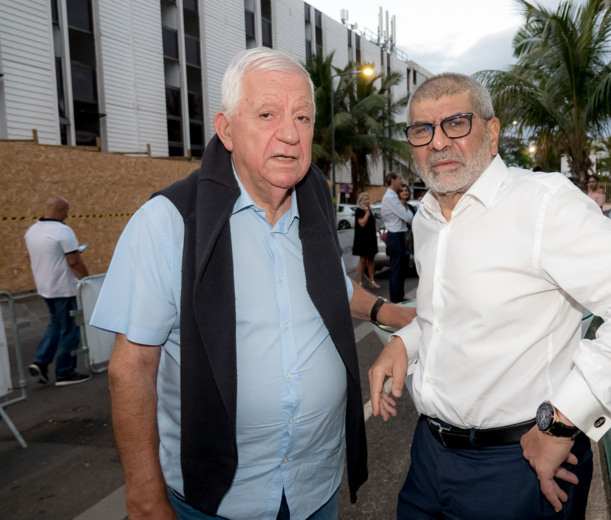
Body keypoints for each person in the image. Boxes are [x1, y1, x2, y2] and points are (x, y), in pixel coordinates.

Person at [91, 48, 415, 520]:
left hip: (315, 488)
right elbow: (132, 368)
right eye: (267, 114)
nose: (289, 133)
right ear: (226, 129)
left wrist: (387, 312)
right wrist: (144, 500)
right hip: (217, 502)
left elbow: (332, 290)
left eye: (302, 117)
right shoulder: (170, 221)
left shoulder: (316, 205)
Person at [368, 73, 611, 519]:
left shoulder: (543, 204)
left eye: (456, 123)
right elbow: (445, 315)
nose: (438, 142)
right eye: (423, 130)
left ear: (493, 131)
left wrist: (562, 422)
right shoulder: (426, 217)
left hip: (520, 466)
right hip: (428, 457)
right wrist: (406, 343)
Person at [25, 195, 91, 387]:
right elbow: (74, 262)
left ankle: (41, 362)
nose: (68, 215)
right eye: (67, 210)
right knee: (70, 329)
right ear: (61, 208)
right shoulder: (63, 231)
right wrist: (87, 283)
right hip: (65, 288)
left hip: (46, 287)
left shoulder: (32, 231)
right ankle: (65, 372)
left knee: (55, 325)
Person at [381, 172, 413, 303]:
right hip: (395, 236)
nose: (401, 181)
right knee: (396, 269)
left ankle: (399, 296)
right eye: (399, 179)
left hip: (397, 236)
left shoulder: (392, 196)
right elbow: (408, 217)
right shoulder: (391, 197)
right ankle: (396, 300)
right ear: (392, 180)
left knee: (400, 269)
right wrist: (407, 214)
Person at [353, 192, 380, 289]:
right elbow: (362, 223)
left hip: (371, 238)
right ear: (360, 201)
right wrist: (367, 213)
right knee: (363, 260)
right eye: (364, 199)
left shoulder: (370, 210)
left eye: (367, 199)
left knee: (371, 259)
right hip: (362, 239)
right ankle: (360, 282)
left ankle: (372, 281)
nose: (366, 201)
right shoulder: (359, 211)